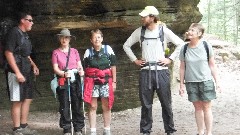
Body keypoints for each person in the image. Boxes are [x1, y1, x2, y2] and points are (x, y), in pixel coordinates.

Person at [123, 6, 185, 135]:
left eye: (144, 16)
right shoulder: (139, 32)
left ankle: (170, 130)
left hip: (161, 71)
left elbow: (181, 44)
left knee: (166, 103)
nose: (142, 18)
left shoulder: (164, 31)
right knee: (146, 104)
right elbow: (126, 45)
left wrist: (170, 59)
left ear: (152, 17)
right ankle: (146, 130)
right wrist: (135, 60)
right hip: (145, 71)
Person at [179, 23, 221, 135]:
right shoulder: (184, 49)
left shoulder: (206, 46)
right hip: (191, 82)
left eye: (192, 30)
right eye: (189, 30)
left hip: (205, 81)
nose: (189, 32)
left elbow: (212, 65)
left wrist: (217, 82)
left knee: (206, 107)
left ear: (200, 33)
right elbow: (182, 67)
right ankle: (200, 132)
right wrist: (181, 85)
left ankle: (209, 133)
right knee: (197, 107)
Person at [4, 12, 39, 135]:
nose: (32, 23)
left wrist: (34, 65)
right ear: (22, 20)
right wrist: (17, 73)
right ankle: (16, 129)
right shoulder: (14, 33)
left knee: (27, 98)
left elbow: (25, 54)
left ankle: (24, 126)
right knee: (17, 100)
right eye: (30, 20)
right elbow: (8, 53)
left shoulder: (25, 35)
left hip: (27, 70)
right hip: (16, 71)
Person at [52, 28, 85, 135]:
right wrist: (63, 74)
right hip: (63, 79)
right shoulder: (55, 53)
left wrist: (81, 71)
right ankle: (66, 128)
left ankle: (78, 127)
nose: (64, 39)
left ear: (70, 39)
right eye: (62, 37)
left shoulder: (74, 51)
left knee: (77, 102)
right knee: (65, 103)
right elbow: (55, 68)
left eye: (66, 37)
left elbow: (79, 65)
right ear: (59, 39)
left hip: (75, 79)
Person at [83, 29, 116, 135]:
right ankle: (93, 131)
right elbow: (85, 68)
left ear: (102, 38)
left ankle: (107, 130)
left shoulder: (108, 49)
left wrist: (114, 82)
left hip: (106, 81)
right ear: (91, 40)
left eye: (98, 37)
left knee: (106, 105)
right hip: (92, 82)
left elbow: (113, 66)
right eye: (94, 37)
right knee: (92, 106)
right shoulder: (88, 52)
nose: (97, 39)